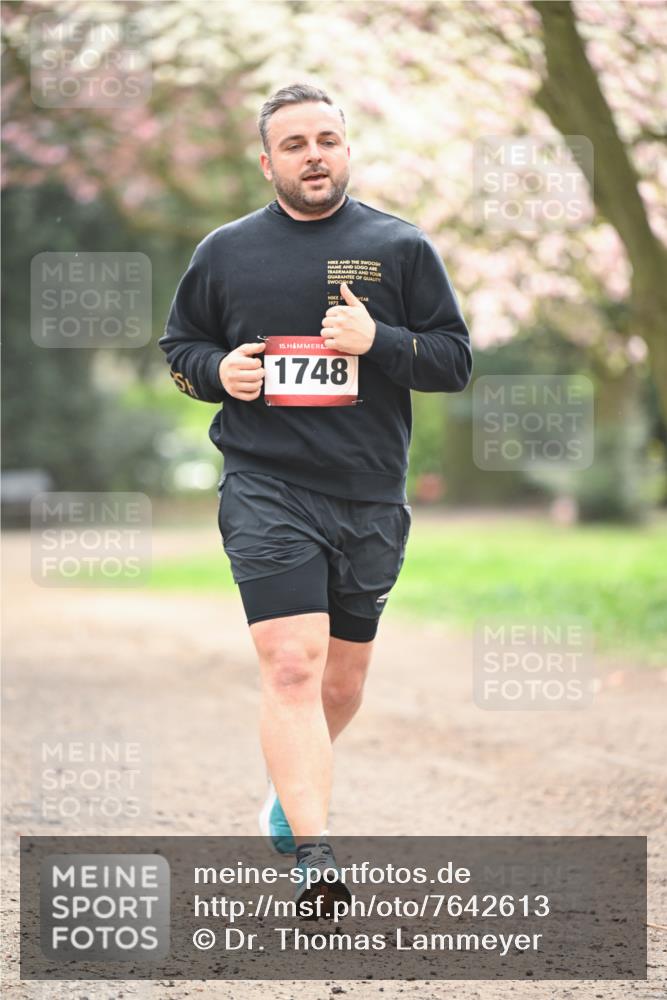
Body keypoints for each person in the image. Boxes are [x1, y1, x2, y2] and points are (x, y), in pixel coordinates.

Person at [159, 82, 472, 916]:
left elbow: (453, 359)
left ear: (346, 148)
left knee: (340, 683)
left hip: (368, 494)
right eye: (294, 144)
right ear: (267, 162)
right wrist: (214, 372)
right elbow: (181, 343)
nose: (313, 155)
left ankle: (286, 795)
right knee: (292, 665)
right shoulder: (224, 252)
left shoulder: (397, 247)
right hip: (265, 484)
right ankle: (316, 853)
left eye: (326, 139)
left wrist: (381, 341)